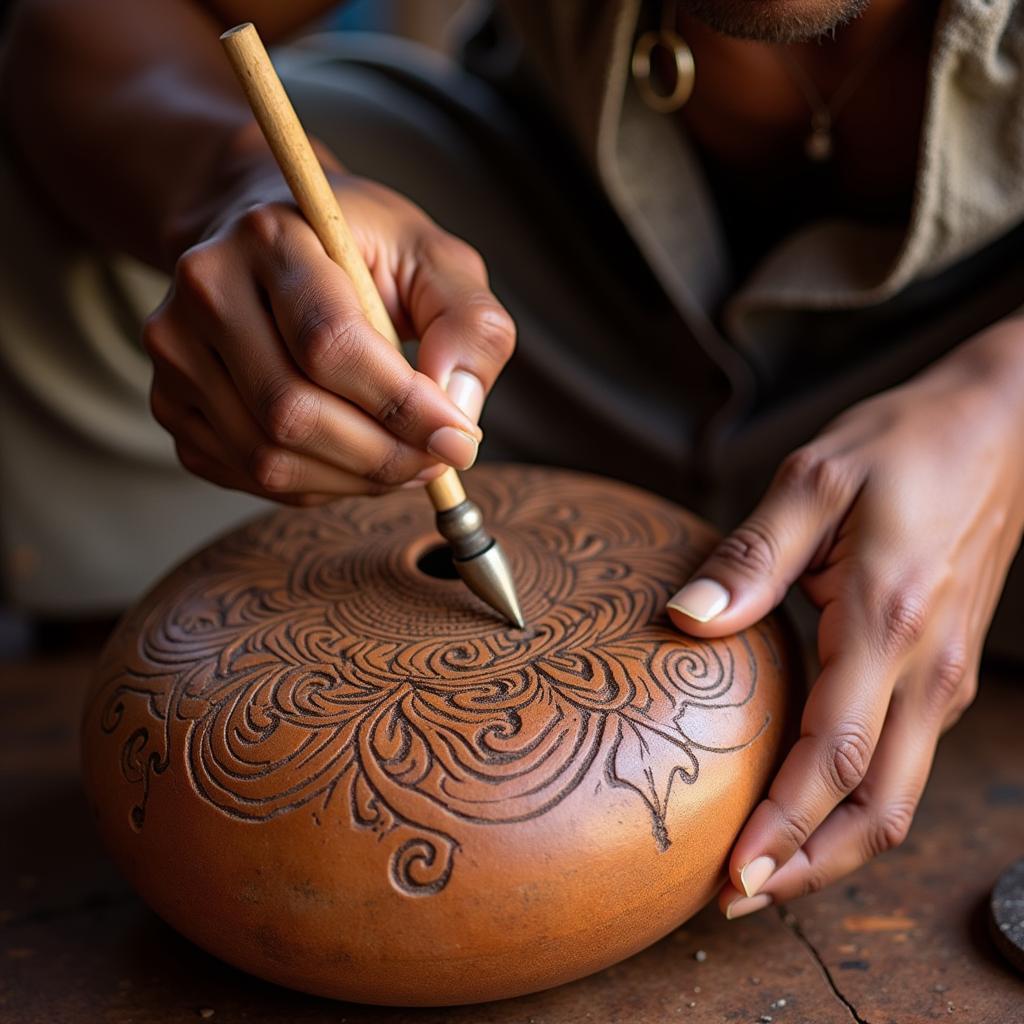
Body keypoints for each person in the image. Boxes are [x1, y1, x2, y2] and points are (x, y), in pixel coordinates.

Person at [2, 0, 1023, 924]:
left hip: (973, 342)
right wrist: (230, 189)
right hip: (519, 297)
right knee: (53, 241)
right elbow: (87, 22)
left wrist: (1002, 405)